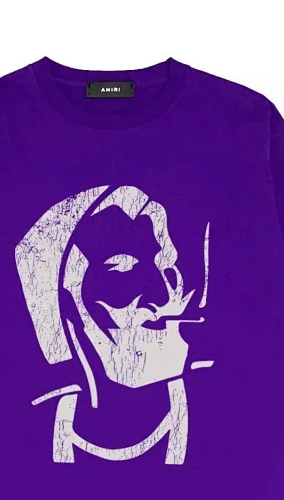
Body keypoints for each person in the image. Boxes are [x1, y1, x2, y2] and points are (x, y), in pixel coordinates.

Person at [15, 185, 212, 463]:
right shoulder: (28, 427)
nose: (161, 295)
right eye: (124, 269)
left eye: (166, 268)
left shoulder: (223, 406)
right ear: (65, 302)